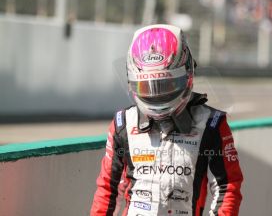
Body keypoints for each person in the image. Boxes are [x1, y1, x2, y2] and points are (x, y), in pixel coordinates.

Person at [90, 24, 243, 216]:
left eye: (165, 84)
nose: (157, 95)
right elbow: (108, 189)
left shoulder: (212, 124)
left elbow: (227, 188)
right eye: (148, 87)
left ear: (188, 74)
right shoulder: (123, 123)